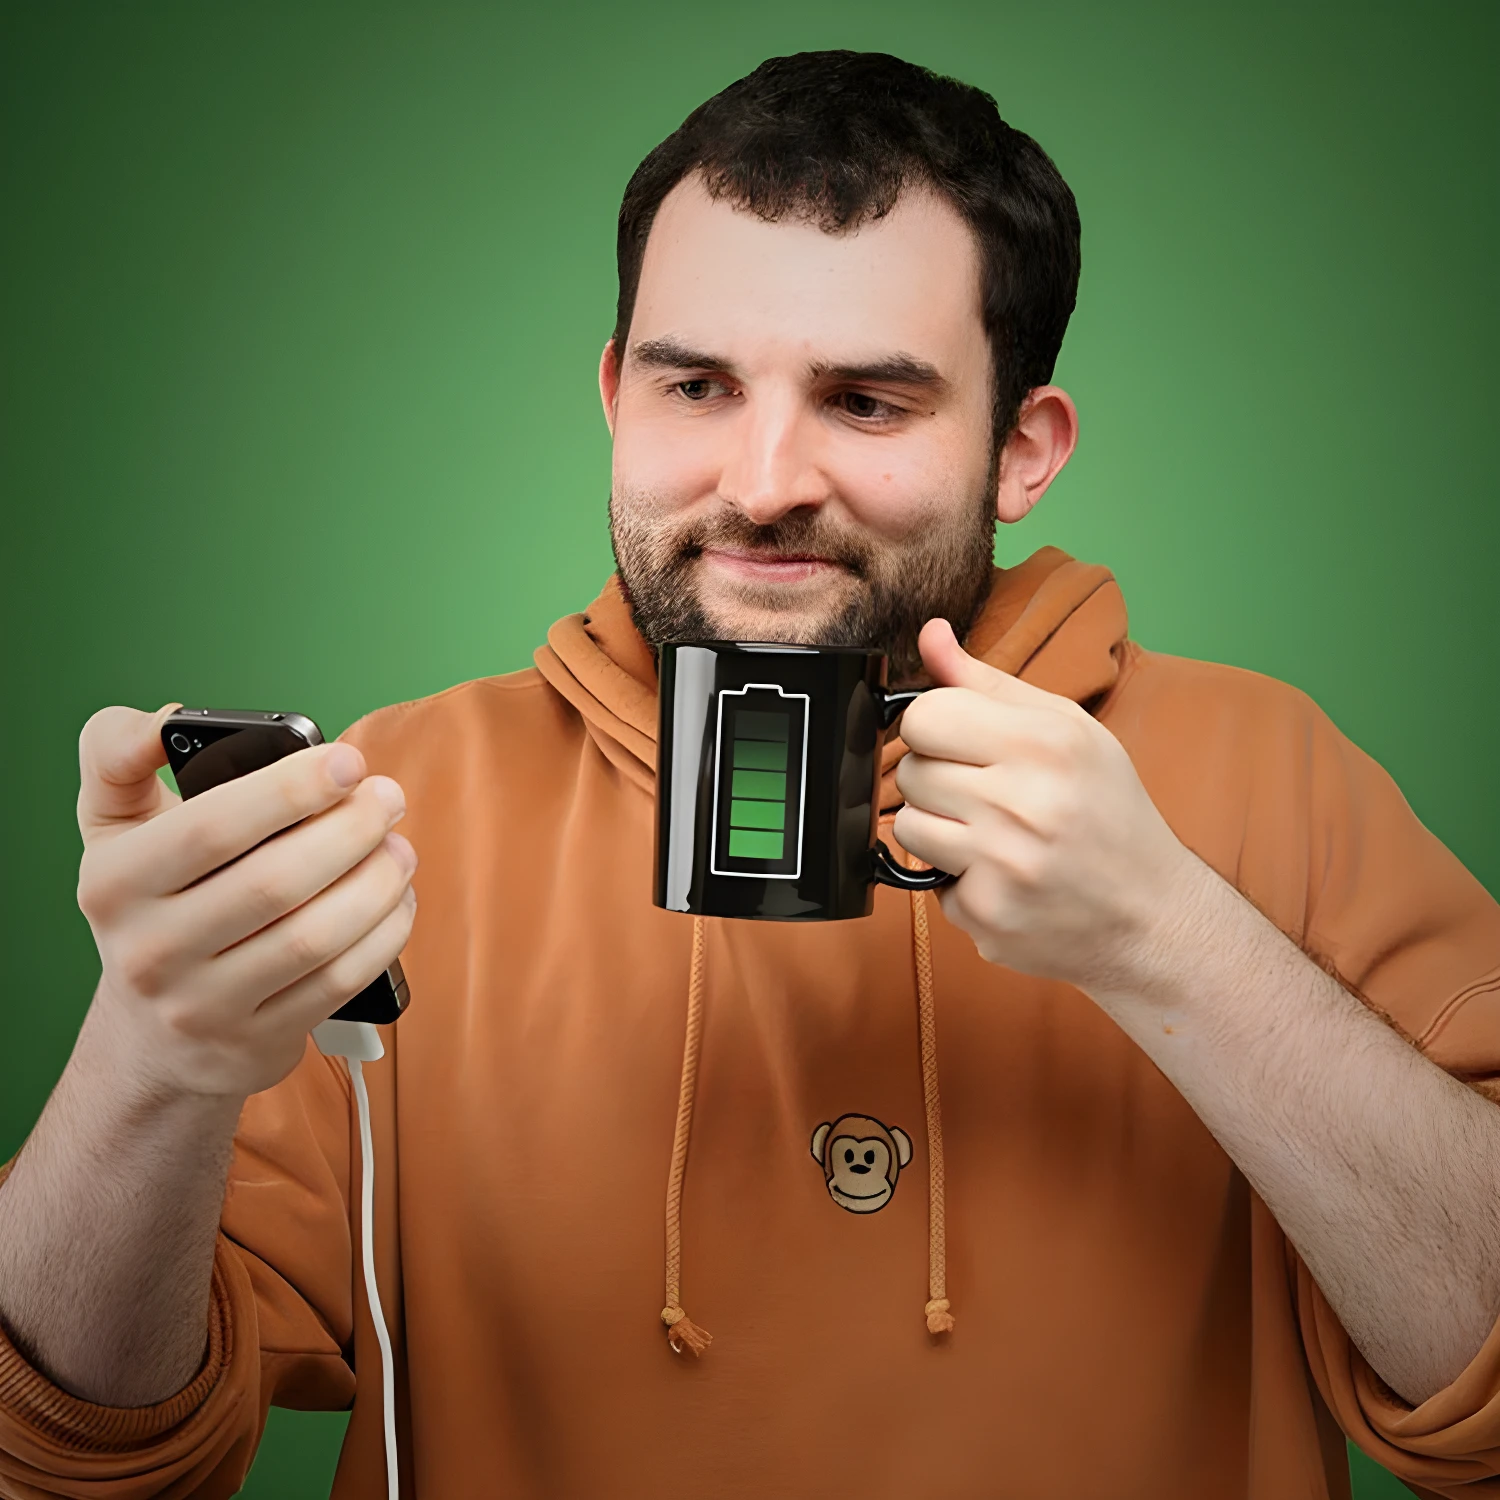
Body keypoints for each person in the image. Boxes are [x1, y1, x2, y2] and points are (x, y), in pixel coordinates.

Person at [1, 48, 1497, 1500]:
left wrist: (1172, 934)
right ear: (613, 395)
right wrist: (149, 1052)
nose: (764, 480)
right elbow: (74, 1459)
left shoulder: (1268, 771)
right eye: (697, 386)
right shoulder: (391, 812)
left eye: (868, 401)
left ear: (1024, 447)